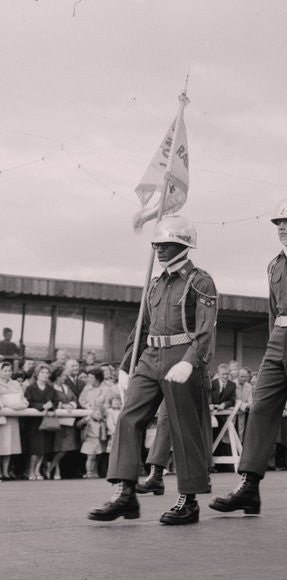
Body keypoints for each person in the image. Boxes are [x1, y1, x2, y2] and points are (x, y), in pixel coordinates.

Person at [88, 214, 218, 525]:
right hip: (150, 355)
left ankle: (188, 500)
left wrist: (190, 360)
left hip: (181, 355)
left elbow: (206, 329)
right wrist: (125, 366)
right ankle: (125, 493)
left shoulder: (200, 281)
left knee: (184, 429)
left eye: (166, 243)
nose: (159, 249)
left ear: (184, 245)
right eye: (156, 244)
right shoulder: (155, 283)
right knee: (129, 418)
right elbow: (141, 328)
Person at [210, 197, 287, 517]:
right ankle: (249, 486)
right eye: (278, 222)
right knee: (261, 409)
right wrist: (273, 342)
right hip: (278, 339)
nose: (280, 227)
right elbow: (272, 310)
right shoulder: (275, 264)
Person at [0, 361, 27, 479]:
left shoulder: (15, 384)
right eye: (5, 371)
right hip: (2, 419)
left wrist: (22, 405)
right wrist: (8, 404)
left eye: (9, 371)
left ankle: (6, 471)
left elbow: (23, 399)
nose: (8, 373)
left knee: (9, 446)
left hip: (13, 419)